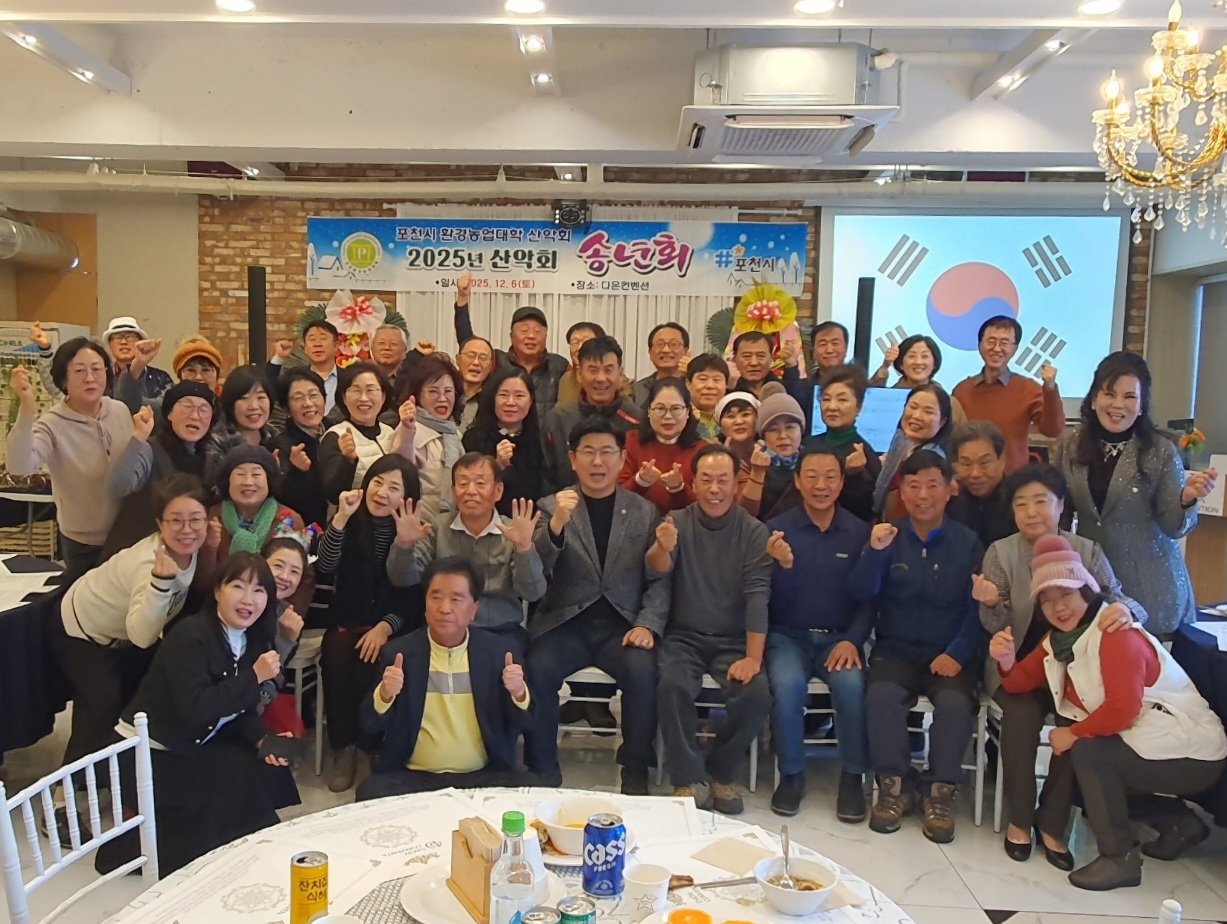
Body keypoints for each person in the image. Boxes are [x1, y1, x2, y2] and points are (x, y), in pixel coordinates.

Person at [990, 534, 1227, 891]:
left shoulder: (1115, 633)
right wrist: (1007, 661)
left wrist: (1071, 734)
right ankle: (1178, 823)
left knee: (1089, 753)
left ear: (1086, 591)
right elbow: (1019, 682)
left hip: (1191, 753)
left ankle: (1119, 858)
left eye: (1067, 594)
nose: (1058, 607)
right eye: (1047, 600)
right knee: (1085, 770)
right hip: (1149, 743)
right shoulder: (1058, 641)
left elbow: (1123, 708)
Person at [975, 463, 1146, 866]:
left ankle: (1053, 824)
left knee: (1076, 727)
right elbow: (994, 626)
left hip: (1078, 674)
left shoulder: (1087, 551)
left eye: (1041, 501)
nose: (1031, 512)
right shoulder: (1000, 552)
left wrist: (1126, 610)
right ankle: (1020, 820)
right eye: (1021, 504)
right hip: (1019, 668)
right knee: (1020, 720)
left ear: (1061, 505)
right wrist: (992, 604)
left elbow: (1120, 598)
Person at [100, 552, 301, 875]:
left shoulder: (251, 639)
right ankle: (133, 852)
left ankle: (252, 851)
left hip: (195, 740)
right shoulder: (190, 635)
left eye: (259, 590)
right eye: (238, 586)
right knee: (230, 781)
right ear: (218, 591)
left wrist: (262, 739)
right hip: (150, 751)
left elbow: (241, 709)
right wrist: (253, 676)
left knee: (256, 768)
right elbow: (196, 708)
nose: (248, 599)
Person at [525, 417, 670, 794]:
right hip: (565, 623)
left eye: (607, 452)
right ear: (573, 459)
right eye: (588, 452)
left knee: (643, 672)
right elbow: (535, 568)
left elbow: (659, 580)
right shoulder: (551, 506)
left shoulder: (643, 511)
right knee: (536, 670)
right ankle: (541, 769)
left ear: (622, 459)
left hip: (622, 625)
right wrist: (556, 524)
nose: (597, 461)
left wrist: (647, 624)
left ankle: (635, 771)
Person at [850, 450, 986, 844]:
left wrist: (957, 653)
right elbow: (861, 592)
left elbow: (979, 609)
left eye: (932, 485)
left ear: (950, 489)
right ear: (902, 492)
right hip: (896, 649)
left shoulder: (968, 542)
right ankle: (894, 787)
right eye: (913, 486)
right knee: (881, 697)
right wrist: (874, 554)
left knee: (955, 704)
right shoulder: (888, 536)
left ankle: (939, 793)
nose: (923, 495)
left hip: (949, 653)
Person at [50, 475, 209, 804]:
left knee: (142, 700)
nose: (187, 529)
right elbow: (142, 636)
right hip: (84, 629)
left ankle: (115, 779)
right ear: (159, 525)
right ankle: (64, 800)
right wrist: (161, 583)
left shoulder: (194, 549)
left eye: (196, 519)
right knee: (100, 709)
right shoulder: (149, 564)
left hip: (124, 634)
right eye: (176, 521)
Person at [1056, 351, 1217, 636]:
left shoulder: (1160, 451)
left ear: (1142, 405)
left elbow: (1174, 528)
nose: (1118, 405)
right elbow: (1062, 515)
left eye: (1129, 396)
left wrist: (1186, 499)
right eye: (1109, 394)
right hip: (1093, 584)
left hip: (1152, 590)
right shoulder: (1070, 446)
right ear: (1093, 399)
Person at [652, 445, 773, 815]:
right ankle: (688, 778)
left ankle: (721, 771)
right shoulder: (676, 520)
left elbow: (758, 596)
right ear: (694, 484)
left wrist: (753, 658)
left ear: (737, 485)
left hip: (733, 639)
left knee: (756, 694)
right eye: (706, 480)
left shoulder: (754, 531)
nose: (715, 489)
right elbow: (656, 569)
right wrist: (662, 548)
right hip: (683, 636)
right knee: (672, 686)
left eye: (723, 480)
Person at [357, 557, 538, 799]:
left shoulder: (499, 653)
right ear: (425, 605)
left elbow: (529, 723)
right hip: (414, 777)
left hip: (483, 776)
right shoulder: (398, 653)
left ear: (473, 610)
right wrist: (385, 695)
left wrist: (519, 693)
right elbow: (369, 725)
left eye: (456, 599)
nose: (444, 608)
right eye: (436, 597)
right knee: (370, 792)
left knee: (529, 791)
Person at [764, 447, 872, 820]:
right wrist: (781, 566)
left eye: (830, 477)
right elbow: (766, 598)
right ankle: (792, 774)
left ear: (841, 483)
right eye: (811, 476)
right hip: (787, 636)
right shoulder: (777, 529)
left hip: (838, 638)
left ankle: (852, 777)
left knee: (851, 687)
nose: (820, 485)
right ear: (797, 481)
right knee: (787, 687)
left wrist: (853, 640)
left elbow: (869, 599)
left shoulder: (859, 533)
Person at [314, 454, 425, 792]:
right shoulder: (350, 520)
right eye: (377, 482)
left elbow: (413, 595)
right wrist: (340, 519)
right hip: (348, 619)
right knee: (336, 654)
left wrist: (385, 626)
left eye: (393, 487)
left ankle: (368, 748)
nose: (382, 492)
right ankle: (342, 748)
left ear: (406, 497)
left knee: (375, 658)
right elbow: (325, 567)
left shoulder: (414, 529)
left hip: (394, 623)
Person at [387, 453, 545, 648]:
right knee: (394, 654)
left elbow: (533, 593)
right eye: (463, 483)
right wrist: (403, 545)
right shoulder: (437, 527)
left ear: (498, 491)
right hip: (444, 630)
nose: (470, 491)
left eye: (480, 483)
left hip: (499, 631)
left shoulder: (514, 532)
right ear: (453, 492)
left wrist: (524, 548)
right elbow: (402, 579)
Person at [6, 340, 133, 582]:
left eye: (97, 369)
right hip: (83, 543)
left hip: (127, 534)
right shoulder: (53, 423)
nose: (90, 378)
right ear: (64, 380)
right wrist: (26, 406)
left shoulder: (120, 411)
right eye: (79, 370)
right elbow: (19, 466)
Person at [193, 445, 312, 614]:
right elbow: (200, 584)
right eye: (240, 474)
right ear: (227, 481)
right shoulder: (211, 518)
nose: (248, 482)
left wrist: (290, 615)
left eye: (256, 475)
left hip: (273, 614)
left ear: (269, 481)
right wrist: (209, 548)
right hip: (216, 611)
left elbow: (304, 577)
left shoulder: (289, 520)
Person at [102, 380, 214, 559]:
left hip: (180, 559)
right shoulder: (150, 449)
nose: (195, 416)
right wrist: (138, 436)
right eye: (187, 406)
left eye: (203, 409)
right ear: (169, 413)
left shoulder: (209, 459)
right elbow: (118, 486)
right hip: (135, 556)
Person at [952, 316, 1064, 473]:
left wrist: (1050, 389)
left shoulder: (1028, 389)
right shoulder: (962, 390)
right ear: (980, 346)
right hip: (970, 478)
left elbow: (1053, 430)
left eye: (1004, 343)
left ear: (1015, 349)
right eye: (991, 341)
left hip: (1014, 481)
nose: (997, 349)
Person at [454, 275, 569, 416]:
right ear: (511, 336)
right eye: (524, 330)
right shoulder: (497, 361)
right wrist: (462, 300)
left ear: (546, 337)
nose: (531, 336)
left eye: (537, 331)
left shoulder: (560, 365)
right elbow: (468, 344)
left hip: (545, 431)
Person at [541, 336, 641, 491]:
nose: (601, 378)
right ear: (579, 374)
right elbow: (546, 479)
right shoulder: (558, 419)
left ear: (620, 374)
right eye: (593, 370)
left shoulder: (637, 420)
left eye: (608, 370)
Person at [318, 361, 418, 503]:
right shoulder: (335, 436)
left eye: (371, 390)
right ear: (344, 397)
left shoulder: (389, 432)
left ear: (383, 396)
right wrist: (347, 460)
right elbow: (332, 494)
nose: (363, 398)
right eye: (355, 390)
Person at [462, 367, 545, 516]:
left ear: (531, 400)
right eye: (503, 395)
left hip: (530, 524)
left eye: (519, 396)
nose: (510, 402)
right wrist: (497, 465)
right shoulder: (473, 439)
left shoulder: (540, 440)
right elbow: (467, 491)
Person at [804, 364, 881, 523]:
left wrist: (856, 476)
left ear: (858, 407)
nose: (832, 407)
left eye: (842, 399)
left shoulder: (864, 453)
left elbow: (868, 511)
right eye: (826, 399)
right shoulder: (809, 445)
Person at [618, 377, 702, 514]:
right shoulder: (630, 441)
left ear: (687, 412)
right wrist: (640, 481)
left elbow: (704, 506)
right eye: (660, 408)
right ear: (649, 411)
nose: (668, 416)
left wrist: (678, 489)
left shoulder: (702, 450)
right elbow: (616, 499)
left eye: (676, 408)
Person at [873, 382, 953, 519]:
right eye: (913, 407)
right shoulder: (900, 439)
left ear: (942, 422)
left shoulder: (933, 461)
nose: (917, 416)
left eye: (928, 411)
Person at [401, 357, 466, 519]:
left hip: (449, 525)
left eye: (448, 391)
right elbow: (400, 473)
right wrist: (407, 432)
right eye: (433, 391)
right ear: (417, 395)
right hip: (419, 525)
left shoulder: (453, 433)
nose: (442, 398)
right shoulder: (410, 429)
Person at [269, 367, 331, 530]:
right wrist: (297, 472)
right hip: (304, 531)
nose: (308, 403)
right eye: (298, 398)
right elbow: (282, 501)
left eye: (313, 395)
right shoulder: (281, 446)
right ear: (287, 408)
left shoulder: (338, 432)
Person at [867, 334, 967, 425]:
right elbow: (867, 401)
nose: (918, 362)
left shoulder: (950, 404)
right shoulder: (887, 401)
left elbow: (962, 437)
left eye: (925, 356)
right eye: (912, 356)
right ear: (901, 364)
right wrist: (885, 366)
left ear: (934, 364)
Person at [739, 391, 807, 521]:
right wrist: (757, 473)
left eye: (790, 427)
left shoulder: (812, 462)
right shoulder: (748, 463)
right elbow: (744, 516)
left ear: (801, 431)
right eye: (773, 429)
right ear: (763, 436)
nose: (783, 436)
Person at [947, 421, 1016, 547]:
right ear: (956, 466)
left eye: (984, 463)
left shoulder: (1019, 501)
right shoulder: (950, 504)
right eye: (966, 464)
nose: (975, 473)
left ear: (1001, 461)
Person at [204, 365, 275, 483]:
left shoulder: (275, 437)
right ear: (230, 403)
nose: (254, 406)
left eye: (261, 397)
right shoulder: (217, 442)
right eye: (244, 398)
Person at [269, 319, 340, 413]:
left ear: (336, 345)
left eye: (323, 338)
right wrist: (279, 357)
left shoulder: (348, 378)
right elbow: (268, 391)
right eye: (312, 339)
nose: (317, 344)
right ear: (305, 347)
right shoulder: (294, 377)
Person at [633, 322, 690, 407]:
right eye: (660, 344)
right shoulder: (637, 390)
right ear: (650, 352)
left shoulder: (696, 386)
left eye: (673, 344)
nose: (666, 350)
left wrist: (691, 375)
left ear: (686, 351)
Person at [558, 321, 607, 407]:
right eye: (574, 343)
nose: (579, 348)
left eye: (586, 342)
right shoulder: (565, 379)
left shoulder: (612, 379)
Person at [686, 353, 730, 443]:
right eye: (703, 379)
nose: (710, 385)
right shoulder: (680, 418)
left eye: (716, 380)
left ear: (726, 385)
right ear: (688, 384)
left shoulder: (732, 419)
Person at [455, 336, 496, 430]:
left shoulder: (495, 400)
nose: (476, 362)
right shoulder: (445, 393)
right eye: (470, 356)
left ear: (491, 365)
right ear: (458, 359)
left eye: (483, 358)